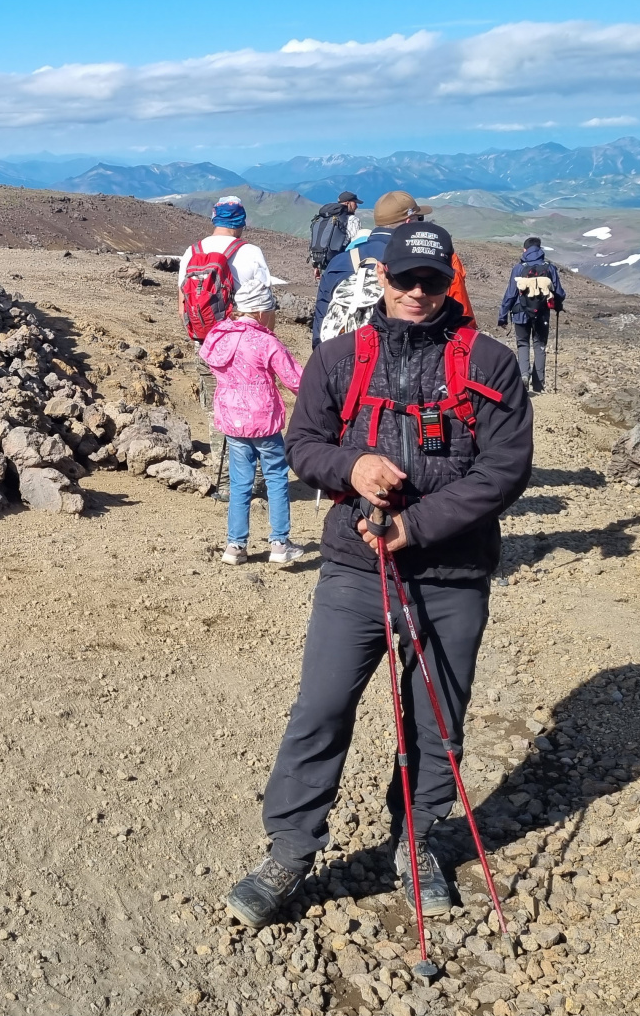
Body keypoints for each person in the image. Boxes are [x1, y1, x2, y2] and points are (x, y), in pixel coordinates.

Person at [223, 221, 532, 929]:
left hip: (453, 574)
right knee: (321, 708)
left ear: (450, 281)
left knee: (437, 721)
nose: (418, 292)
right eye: (405, 279)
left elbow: (506, 470)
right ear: (383, 277)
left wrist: (414, 526)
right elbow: (304, 445)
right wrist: (352, 465)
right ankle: (291, 849)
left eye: (433, 280)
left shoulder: (490, 363)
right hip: (356, 570)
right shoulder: (340, 358)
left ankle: (416, 843)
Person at [199, 278, 304, 566]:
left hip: (232, 421)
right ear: (260, 312)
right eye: (271, 311)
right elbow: (296, 380)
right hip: (264, 422)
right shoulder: (266, 342)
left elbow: (209, 361)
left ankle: (235, 545)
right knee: (276, 478)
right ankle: (279, 542)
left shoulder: (218, 336)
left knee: (240, 483)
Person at [179, 196, 279, 500]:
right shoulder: (249, 252)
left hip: (207, 344)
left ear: (214, 218)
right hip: (248, 347)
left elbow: (183, 304)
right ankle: (256, 482)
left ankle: (225, 483)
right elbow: (265, 304)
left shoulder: (192, 252)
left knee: (218, 411)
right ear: (241, 221)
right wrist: (266, 341)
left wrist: (201, 339)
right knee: (256, 409)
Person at [310, 190, 421, 342]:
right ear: (409, 222)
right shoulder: (413, 263)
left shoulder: (337, 262)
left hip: (338, 350)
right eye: (419, 219)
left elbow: (321, 319)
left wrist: (323, 354)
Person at [498, 237, 565, 394]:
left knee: (523, 344)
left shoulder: (519, 268)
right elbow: (559, 292)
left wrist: (502, 316)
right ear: (540, 249)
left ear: (524, 250)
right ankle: (538, 385)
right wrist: (558, 305)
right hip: (542, 314)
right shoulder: (549, 268)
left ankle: (524, 376)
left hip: (520, 313)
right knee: (539, 346)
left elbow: (510, 294)